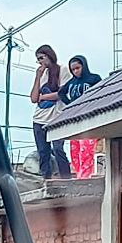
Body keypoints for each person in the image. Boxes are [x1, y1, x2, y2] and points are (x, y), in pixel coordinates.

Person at [31, 45, 72, 179]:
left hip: (56, 117)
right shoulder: (42, 75)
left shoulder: (63, 70)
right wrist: (38, 77)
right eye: (38, 60)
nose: (40, 61)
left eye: (42, 58)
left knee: (58, 149)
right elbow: (33, 98)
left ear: (49, 55)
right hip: (39, 118)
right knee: (43, 152)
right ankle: (45, 179)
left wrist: (43, 97)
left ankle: (66, 178)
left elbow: (61, 93)